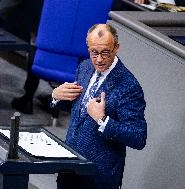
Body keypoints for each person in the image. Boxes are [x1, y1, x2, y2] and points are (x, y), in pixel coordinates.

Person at [52, 24, 147, 189]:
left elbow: (138, 137)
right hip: (70, 168)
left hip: (99, 177)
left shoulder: (129, 86)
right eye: (94, 52)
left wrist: (102, 120)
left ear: (116, 47)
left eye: (105, 52)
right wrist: (56, 96)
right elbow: (80, 113)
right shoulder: (85, 67)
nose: (99, 59)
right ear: (88, 47)